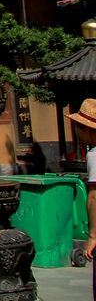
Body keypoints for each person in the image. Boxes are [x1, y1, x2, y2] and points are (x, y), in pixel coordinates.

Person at [67, 98, 96, 301]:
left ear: (89, 130)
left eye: (79, 127)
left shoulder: (95, 155)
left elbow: (94, 197)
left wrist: (93, 236)